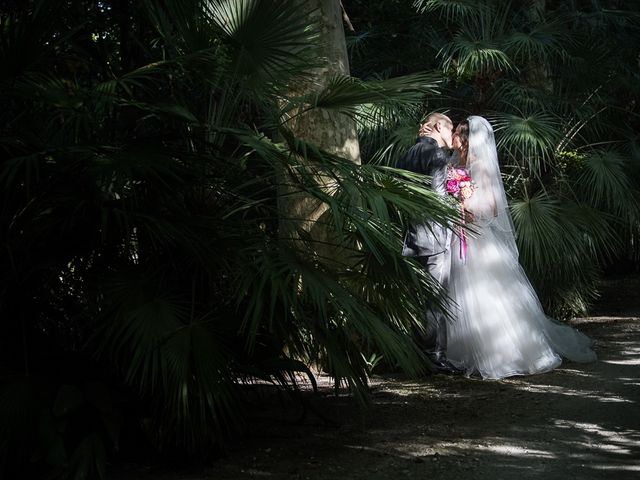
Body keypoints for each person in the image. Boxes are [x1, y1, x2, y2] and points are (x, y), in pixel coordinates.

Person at [445, 116, 596, 379]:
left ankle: (504, 352)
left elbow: (492, 207)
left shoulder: (481, 167)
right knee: (461, 293)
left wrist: (467, 203)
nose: (454, 136)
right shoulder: (454, 163)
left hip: (479, 238)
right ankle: (463, 352)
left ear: (467, 138)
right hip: (460, 235)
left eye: (458, 132)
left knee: (488, 294)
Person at [397, 112, 459, 373]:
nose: (452, 134)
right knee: (435, 298)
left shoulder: (407, 153)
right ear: (436, 127)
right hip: (433, 236)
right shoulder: (435, 154)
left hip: (411, 235)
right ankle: (434, 357)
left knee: (416, 299)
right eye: (450, 128)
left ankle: (413, 354)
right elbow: (437, 198)